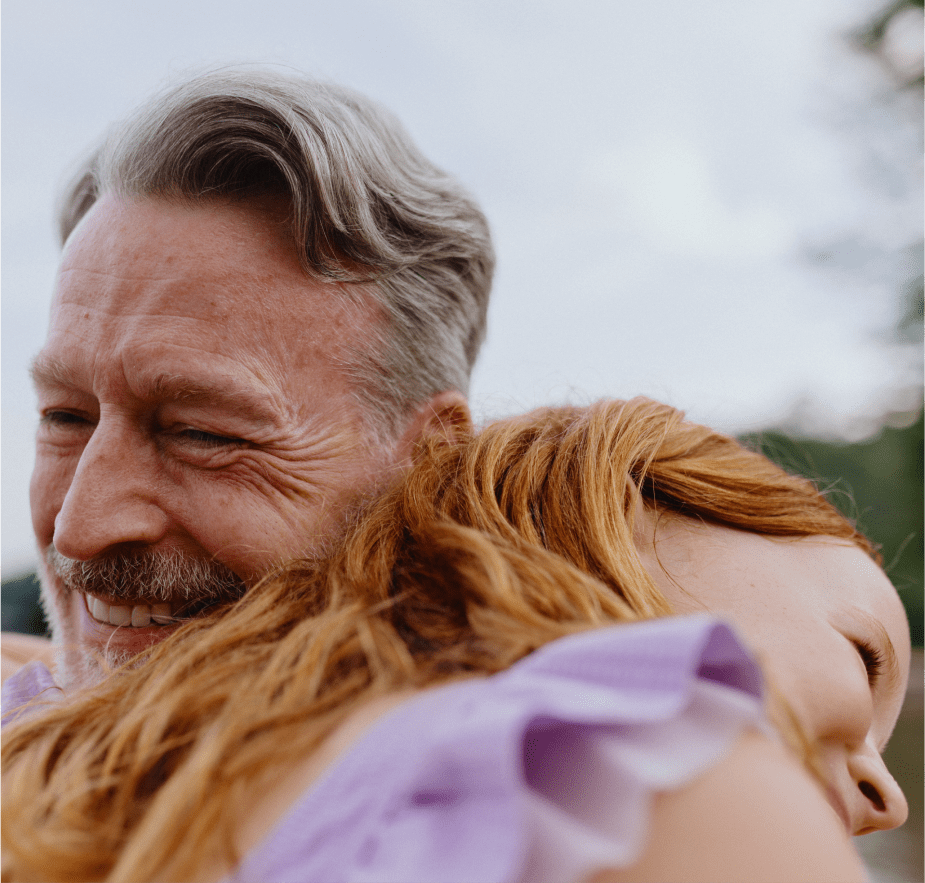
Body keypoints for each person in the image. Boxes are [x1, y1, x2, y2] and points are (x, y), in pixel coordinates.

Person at [2, 398, 908, 882]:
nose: (887, 799)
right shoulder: (669, 777)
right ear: (644, 500)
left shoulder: (56, 729)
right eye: (864, 659)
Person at [5, 67, 494, 690]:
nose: (80, 528)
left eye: (200, 434)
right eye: (65, 418)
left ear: (430, 463)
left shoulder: (559, 767)